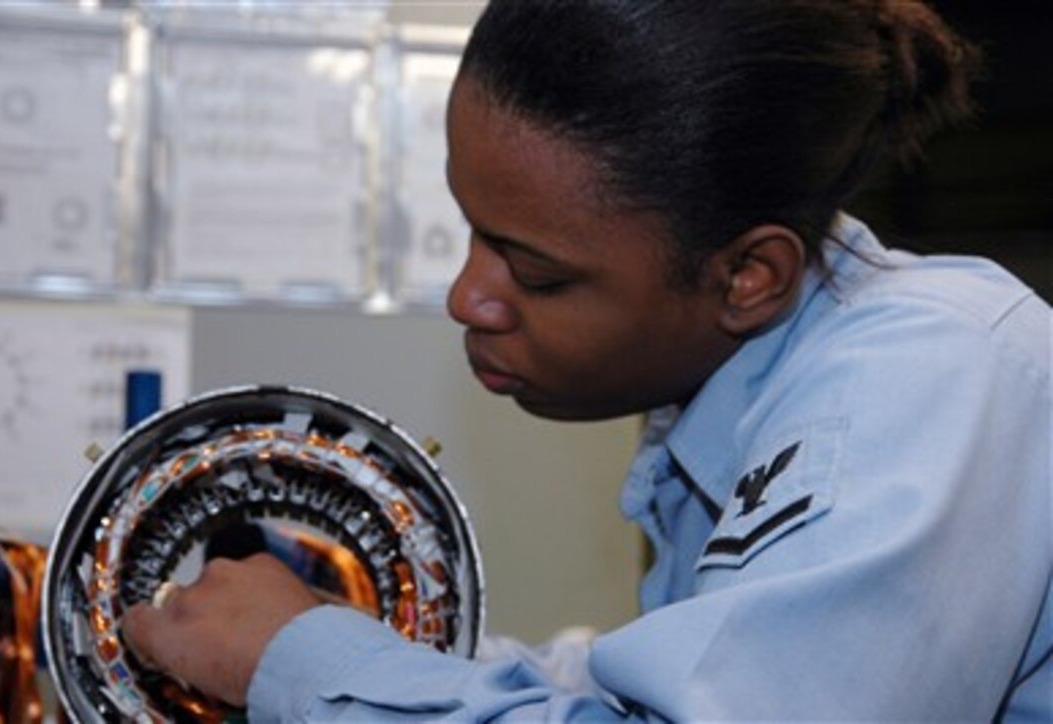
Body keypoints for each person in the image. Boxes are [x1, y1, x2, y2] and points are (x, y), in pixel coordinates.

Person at [123, 0, 1051, 720]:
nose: (468, 298)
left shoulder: (925, 384)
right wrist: (367, 644)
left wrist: (307, 660)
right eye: (474, 234)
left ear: (746, 277)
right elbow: (646, 691)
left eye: (534, 272)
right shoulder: (749, 390)